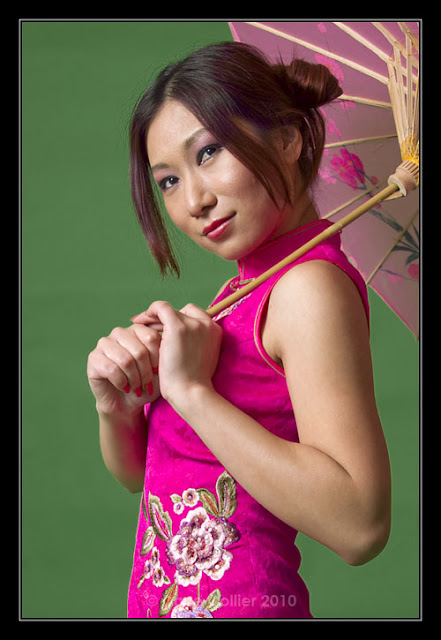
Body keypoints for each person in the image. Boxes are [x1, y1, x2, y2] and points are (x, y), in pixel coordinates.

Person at [87, 42, 391, 619]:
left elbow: (360, 525)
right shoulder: (240, 297)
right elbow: (147, 479)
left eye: (208, 152)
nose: (194, 200)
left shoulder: (306, 288)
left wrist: (190, 391)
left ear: (288, 139)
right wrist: (118, 406)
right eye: (167, 181)